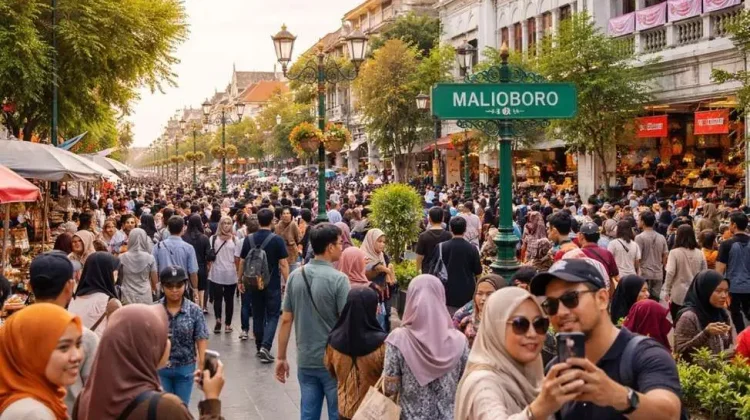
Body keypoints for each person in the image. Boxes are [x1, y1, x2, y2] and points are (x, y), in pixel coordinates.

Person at [530, 259, 683, 419]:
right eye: (551, 305)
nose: (560, 312)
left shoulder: (646, 355)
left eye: (570, 298)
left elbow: (669, 413)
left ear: (602, 299)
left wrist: (618, 396)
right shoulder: (557, 369)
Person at [72, 304, 225, 419]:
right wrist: (211, 399)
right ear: (146, 348)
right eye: (163, 336)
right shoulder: (166, 408)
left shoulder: (85, 398)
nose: (168, 343)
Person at [454, 287, 584, 420]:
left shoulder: (532, 376)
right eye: (520, 324)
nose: (532, 334)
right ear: (497, 328)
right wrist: (537, 410)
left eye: (539, 324)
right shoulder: (484, 383)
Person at [275, 223, 350, 420]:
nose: (342, 247)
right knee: (337, 412)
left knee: (308, 413)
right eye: (340, 243)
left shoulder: (295, 277)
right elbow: (346, 323)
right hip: (333, 360)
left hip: (306, 358)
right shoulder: (340, 280)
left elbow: (286, 320)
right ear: (330, 247)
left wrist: (281, 357)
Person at [383, 274, 468, 420]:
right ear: (441, 298)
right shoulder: (460, 341)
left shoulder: (398, 339)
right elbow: (464, 382)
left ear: (411, 298)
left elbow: (391, 389)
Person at [28, 252, 100, 416]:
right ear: (70, 286)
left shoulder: (10, 334)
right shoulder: (84, 337)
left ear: (29, 286)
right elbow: (93, 395)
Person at [0, 304, 83, 420]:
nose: (77, 356)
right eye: (63, 347)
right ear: (30, 353)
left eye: (78, 344)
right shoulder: (32, 414)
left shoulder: (43, 400)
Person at [324, 287, 387, 420]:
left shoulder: (333, 341)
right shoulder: (383, 344)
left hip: (345, 409)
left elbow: (331, 370)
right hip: (373, 412)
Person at [237, 208, 289, 355]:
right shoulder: (277, 240)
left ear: (258, 221)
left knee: (258, 314)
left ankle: (259, 344)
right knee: (273, 315)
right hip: (272, 283)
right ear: (272, 220)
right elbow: (283, 264)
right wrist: (288, 282)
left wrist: (239, 280)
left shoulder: (249, 239)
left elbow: (242, 262)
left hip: (254, 283)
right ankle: (266, 346)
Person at [157, 265, 209, 405]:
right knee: (163, 409)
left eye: (178, 285)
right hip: (160, 369)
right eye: (169, 286)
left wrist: (202, 365)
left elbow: (201, 338)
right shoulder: (154, 310)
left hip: (185, 368)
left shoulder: (194, 311)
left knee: (181, 408)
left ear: (185, 285)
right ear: (162, 287)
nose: (174, 290)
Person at [674, 270, 734, 363]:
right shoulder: (689, 317)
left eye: (726, 291)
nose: (724, 296)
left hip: (718, 370)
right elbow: (680, 351)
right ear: (705, 291)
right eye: (718, 291)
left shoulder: (722, 314)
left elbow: (724, 349)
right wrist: (706, 333)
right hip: (695, 371)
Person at [68, 252, 123, 338]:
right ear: (107, 272)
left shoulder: (71, 301)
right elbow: (118, 337)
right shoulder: (111, 303)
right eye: (114, 270)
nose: (117, 273)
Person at [715, 211, 750, 334]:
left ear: (734, 225)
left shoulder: (726, 244)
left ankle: (742, 338)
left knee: (736, 315)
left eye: (730, 223)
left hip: (733, 287)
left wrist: (718, 289)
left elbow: (719, 270)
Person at [663, 224, 707, 320]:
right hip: (695, 294)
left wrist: (667, 290)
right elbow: (704, 273)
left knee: (677, 321)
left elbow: (670, 272)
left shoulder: (674, 252)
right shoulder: (700, 253)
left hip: (678, 294)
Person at [440, 217, 483, 314]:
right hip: (467, 289)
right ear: (465, 229)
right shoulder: (472, 248)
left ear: (450, 228)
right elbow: (478, 273)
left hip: (447, 289)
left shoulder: (441, 247)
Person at [452, 274, 507, 348]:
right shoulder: (464, 320)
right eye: (479, 293)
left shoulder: (509, 324)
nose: (483, 298)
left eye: (489, 294)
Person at [208, 216, 240, 334]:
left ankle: (227, 323)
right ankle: (219, 320)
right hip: (217, 272)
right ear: (220, 225)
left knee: (229, 300)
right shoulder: (213, 238)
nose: (226, 225)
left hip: (230, 273)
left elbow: (237, 258)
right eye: (224, 223)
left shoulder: (235, 239)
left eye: (229, 223)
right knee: (219, 299)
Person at [361, 229, 396, 331]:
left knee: (384, 321)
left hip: (383, 296)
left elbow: (390, 275)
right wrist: (383, 270)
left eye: (384, 242)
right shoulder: (363, 256)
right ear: (371, 241)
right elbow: (368, 272)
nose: (382, 244)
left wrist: (389, 272)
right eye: (379, 241)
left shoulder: (382, 255)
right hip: (370, 297)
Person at [153, 216, 199, 291]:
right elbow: (193, 272)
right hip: (182, 287)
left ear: (168, 228)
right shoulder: (189, 248)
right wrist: (195, 289)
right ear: (183, 228)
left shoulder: (157, 247)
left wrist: (157, 287)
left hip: (165, 286)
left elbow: (154, 270)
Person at [119, 228, 158, 305]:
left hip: (127, 295)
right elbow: (155, 281)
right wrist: (155, 291)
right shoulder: (150, 258)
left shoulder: (121, 257)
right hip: (145, 295)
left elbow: (120, 277)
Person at [635, 211, 669, 298]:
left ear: (643, 222)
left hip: (644, 273)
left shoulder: (639, 238)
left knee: (644, 299)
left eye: (639, 220)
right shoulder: (661, 237)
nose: (637, 222)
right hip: (658, 273)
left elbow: (638, 258)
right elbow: (665, 255)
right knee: (655, 299)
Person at [183, 214, 211, 313]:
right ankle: (201, 308)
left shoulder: (184, 237)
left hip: (187, 268)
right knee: (201, 290)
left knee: (189, 290)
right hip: (201, 267)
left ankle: (190, 310)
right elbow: (208, 255)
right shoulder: (204, 238)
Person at [415, 206, 453, 273]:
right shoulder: (448, 235)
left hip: (427, 270)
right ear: (442, 218)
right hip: (444, 272)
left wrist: (417, 270)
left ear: (429, 219)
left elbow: (419, 256)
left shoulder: (423, 236)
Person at [276, 207, 303, 273]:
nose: (286, 215)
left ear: (291, 215)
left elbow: (299, 238)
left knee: (293, 272)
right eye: (284, 213)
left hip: (292, 253)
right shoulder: (278, 225)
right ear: (281, 215)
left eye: (288, 213)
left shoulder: (293, 224)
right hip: (281, 253)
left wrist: (299, 249)